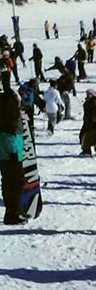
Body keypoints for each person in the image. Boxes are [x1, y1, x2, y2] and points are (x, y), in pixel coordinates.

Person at [0, 89, 27, 225]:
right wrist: (15, 153)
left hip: (7, 155)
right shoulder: (10, 116)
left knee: (9, 183)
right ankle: (13, 213)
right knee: (15, 184)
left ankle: (13, 211)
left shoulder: (5, 114)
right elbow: (11, 136)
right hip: (12, 155)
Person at [79, 88, 96, 156]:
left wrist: (93, 120)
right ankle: (86, 150)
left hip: (95, 124)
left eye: (89, 94)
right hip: (88, 122)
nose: (87, 95)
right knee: (84, 136)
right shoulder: (89, 102)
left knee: (93, 137)